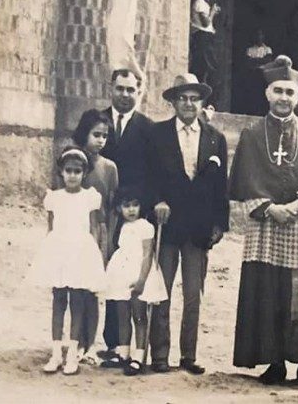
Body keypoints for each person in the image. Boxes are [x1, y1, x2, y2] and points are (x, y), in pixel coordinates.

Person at [231, 55, 298, 388]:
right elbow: (244, 177)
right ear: (267, 94)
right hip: (266, 220)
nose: (284, 98)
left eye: (290, 92)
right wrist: (270, 207)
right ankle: (274, 361)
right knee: (269, 290)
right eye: (278, 91)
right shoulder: (251, 133)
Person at [147, 73, 230, 375]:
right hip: (167, 225)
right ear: (173, 102)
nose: (188, 103)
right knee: (162, 291)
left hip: (199, 227)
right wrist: (157, 201)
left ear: (202, 102)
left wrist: (220, 223)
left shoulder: (214, 138)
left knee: (193, 293)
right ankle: (159, 355)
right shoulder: (157, 135)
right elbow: (150, 176)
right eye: (182, 98)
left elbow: (221, 185)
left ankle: (188, 356)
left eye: (194, 98)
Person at [30, 147, 107, 375]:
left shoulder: (90, 197)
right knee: (59, 300)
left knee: (78, 301)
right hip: (59, 252)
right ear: (61, 172)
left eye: (77, 171)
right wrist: (49, 257)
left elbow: (94, 229)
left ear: (84, 173)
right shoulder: (54, 198)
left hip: (81, 252)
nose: (72, 175)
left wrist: (94, 256)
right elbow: (50, 228)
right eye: (68, 171)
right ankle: (56, 352)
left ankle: (72, 352)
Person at [97, 68, 154, 360]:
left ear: (138, 92)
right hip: (104, 212)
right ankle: (111, 344)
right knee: (109, 276)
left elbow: (153, 173)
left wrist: (141, 208)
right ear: (111, 88)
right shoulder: (98, 122)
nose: (125, 94)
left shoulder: (147, 127)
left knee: (132, 279)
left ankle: (132, 347)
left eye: (131, 90)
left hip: (134, 213)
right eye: (120, 88)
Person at [101, 186, 167, 376]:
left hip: (138, 274)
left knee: (139, 316)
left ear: (141, 206)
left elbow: (147, 255)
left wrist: (141, 280)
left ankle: (138, 357)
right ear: (120, 208)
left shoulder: (146, 226)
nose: (131, 210)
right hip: (121, 274)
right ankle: (123, 353)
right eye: (126, 205)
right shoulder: (121, 226)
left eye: (135, 205)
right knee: (122, 314)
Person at [70, 109, 119, 364]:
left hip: (98, 234)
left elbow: (111, 208)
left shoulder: (109, 168)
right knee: (74, 291)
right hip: (74, 232)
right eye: (95, 134)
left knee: (92, 292)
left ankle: (89, 346)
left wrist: (108, 241)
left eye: (104, 136)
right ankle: (74, 342)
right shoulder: (73, 162)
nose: (100, 140)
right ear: (84, 133)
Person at [190, 0, 220, 104]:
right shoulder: (200, 3)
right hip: (202, 38)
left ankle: (204, 100)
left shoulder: (204, 4)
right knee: (208, 68)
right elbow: (205, 23)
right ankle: (207, 100)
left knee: (204, 69)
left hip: (206, 37)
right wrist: (212, 12)